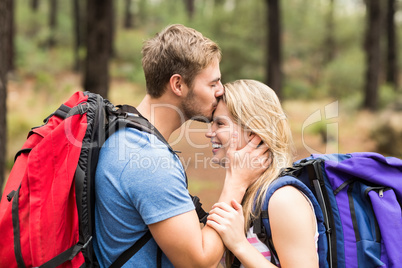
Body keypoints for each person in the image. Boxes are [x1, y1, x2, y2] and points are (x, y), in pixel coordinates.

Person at [93, 25, 270, 267]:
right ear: (178, 85)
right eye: (213, 83)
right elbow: (199, 261)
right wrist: (237, 181)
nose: (221, 91)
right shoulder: (148, 159)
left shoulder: (124, 133)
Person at [205, 79, 319, 267]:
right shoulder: (245, 193)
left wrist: (240, 245)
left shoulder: (283, 199)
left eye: (220, 124)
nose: (210, 133)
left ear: (252, 133)